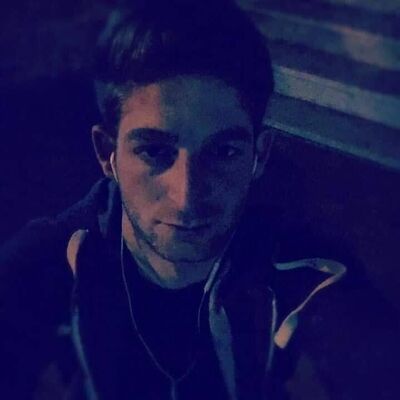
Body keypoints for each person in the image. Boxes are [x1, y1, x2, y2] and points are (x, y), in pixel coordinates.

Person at [0, 0, 398, 399]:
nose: (187, 196)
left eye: (223, 152)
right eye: (154, 151)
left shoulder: (314, 281)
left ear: (259, 155)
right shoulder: (39, 273)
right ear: (108, 154)